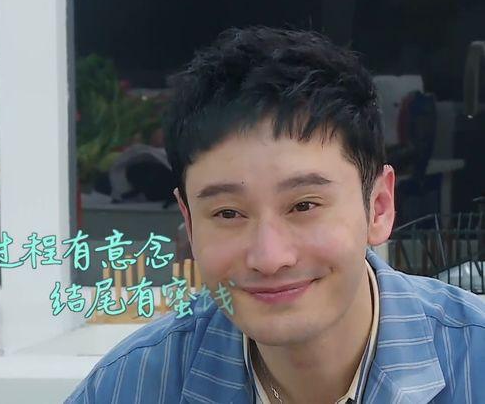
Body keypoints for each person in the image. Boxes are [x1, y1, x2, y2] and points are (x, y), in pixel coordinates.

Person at [65, 26, 485, 403]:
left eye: (304, 206)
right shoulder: (127, 387)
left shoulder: (473, 363)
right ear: (189, 224)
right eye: (228, 213)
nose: (269, 258)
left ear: (378, 207)